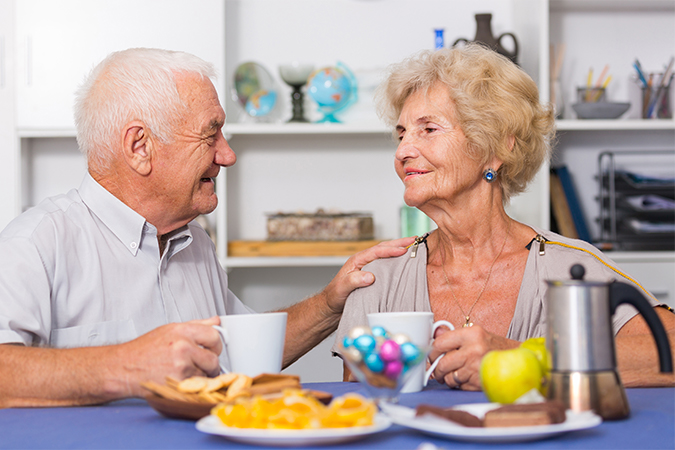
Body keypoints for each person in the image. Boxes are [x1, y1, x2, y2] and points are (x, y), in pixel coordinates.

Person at [0, 48, 414, 407]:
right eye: (211, 133)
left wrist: (331, 302)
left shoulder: (194, 242)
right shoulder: (34, 244)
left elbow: (247, 346)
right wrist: (124, 365)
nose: (228, 155)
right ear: (139, 147)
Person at [333, 43, 675, 389]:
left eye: (429, 129)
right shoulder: (380, 279)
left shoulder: (570, 266)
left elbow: (670, 353)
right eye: (401, 133)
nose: (403, 150)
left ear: (497, 148)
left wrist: (522, 356)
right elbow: (359, 409)